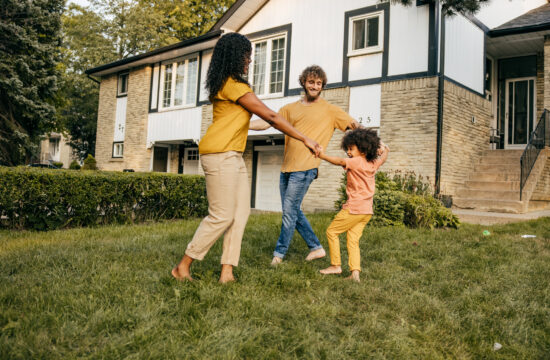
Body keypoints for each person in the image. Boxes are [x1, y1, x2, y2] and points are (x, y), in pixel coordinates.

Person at [171, 33, 320, 283]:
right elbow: (271, 117)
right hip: (219, 154)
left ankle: (227, 272)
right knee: (222, 215)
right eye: (246, 55)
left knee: (240, 214)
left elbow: (259, 122)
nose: (249, 60)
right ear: (235, 55)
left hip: (232, 155)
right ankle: (182, 266)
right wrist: (304, 138)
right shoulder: (233, 85)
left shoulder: (228, 85)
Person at [250, 65, 360, 265]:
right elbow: (267, 122)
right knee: (291, 210)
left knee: (289, 212)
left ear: (322, 86)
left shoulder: (330, 110)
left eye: (319, 83)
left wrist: (373, 143)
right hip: (286, 168)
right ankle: (316, 247)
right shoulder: (290, 109)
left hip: (307, 167)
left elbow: (354, 126)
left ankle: (279, 254)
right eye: (311, 82)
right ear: (304, 82)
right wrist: (243, 125)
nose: (315, 86)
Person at [317, 128, 389, 282]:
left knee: (332, 232)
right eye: (347, 149)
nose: (348, 152)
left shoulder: (356, 161)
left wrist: (322, 155)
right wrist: (384, 147)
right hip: (366, 211)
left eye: (351, 149)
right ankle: (355, 274)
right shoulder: (373, 163)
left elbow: (340, 162)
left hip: (354, 208)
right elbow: (383, 156)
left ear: (363, 148)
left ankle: (336, 265)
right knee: (353, 240)